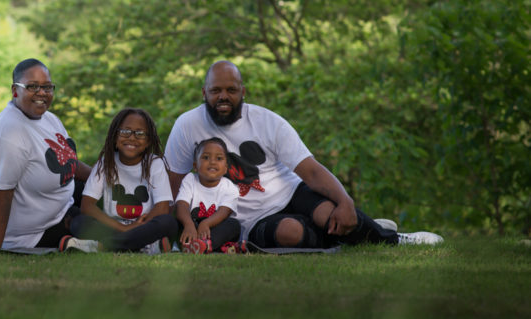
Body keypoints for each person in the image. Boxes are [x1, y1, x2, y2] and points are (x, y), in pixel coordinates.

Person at [164, 60, 443, 249]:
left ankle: (393, 239)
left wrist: (345, 200)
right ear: (204, 93)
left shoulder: (268, 121)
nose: (223, 97)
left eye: (231, 90)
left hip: (290, 193)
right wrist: (168, 236)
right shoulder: (187, 126)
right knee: (291, 233)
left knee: (330, 212)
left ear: (243, 92)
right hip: (249, 219)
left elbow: (310, 171)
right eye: (216, 90)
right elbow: (173, 185)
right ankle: (357, 232)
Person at [0, 58, 93, 250]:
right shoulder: (7, 134)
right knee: (105, 228)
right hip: (32, 233)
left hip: (61, 206)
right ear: (15, 90)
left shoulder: (50, 119)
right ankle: (70, 240)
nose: (42, 93)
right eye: (32, 87)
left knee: (114, 199)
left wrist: (104, 179)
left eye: (47, 87)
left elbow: (70, 162)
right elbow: (1, 195)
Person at [71, 108, 178, 252]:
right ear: (115, 137)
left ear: (148, 141)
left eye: (140, 133)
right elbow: (87, 206)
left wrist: (137, 228)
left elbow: (162, 208)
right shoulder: (106, 163)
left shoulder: (155, 163)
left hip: (145, 227)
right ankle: (142, 246)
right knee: (79, 223)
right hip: (114, 227)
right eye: (125, 131)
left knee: (168, 222)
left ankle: (103, 246)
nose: (132, 138)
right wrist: (123, 228)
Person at [174, 137, 242, 254]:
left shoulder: (229, 187)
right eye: (206, 157)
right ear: (195, 166)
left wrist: (206, 223)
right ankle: (181, 243)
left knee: (234, 225)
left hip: (214, 228)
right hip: (191, 226)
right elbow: (181, 205)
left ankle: (204, 245)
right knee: (173, 222)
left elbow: (224, 212)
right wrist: (189, 224)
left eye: (219, 158)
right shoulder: (190, 179)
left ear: (225, 168)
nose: (212, 162)